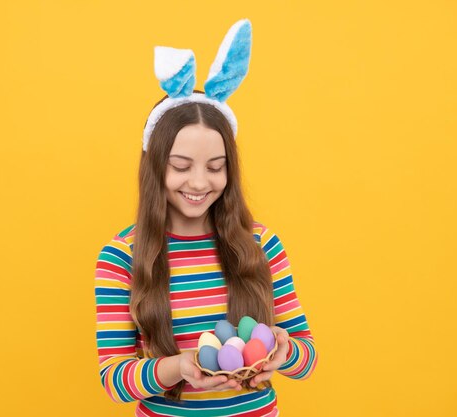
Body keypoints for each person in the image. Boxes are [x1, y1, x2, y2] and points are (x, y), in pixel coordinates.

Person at [94, 19, 317, 417]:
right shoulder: (121, 256)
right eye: (181, 165)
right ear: (155, 166)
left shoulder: (261, 244)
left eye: (216, 166)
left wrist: (286, 350)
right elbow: (114, 380)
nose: (199, 182)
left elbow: (308, 358)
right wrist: (177, 367)